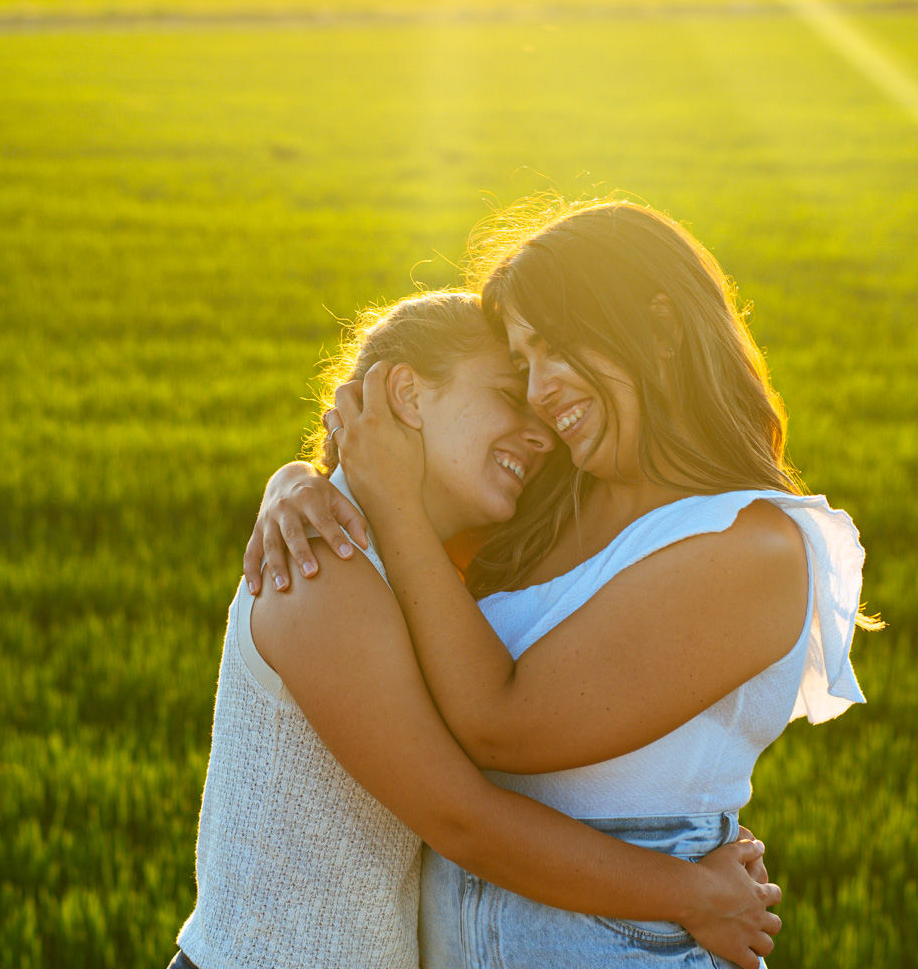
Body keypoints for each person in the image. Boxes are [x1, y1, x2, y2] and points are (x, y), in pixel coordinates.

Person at [246, 199, 874, 968]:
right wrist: (299, 483)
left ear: (661, 329)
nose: (540, 393)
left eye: (554, 349)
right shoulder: (550, 505)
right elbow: (390, 575)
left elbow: (499, 724)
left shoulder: (754, 548)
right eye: (521, 366)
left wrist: (390, 500)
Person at [170, 290, 782, 969]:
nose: (543, 434)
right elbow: (462, 818)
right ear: (406, 393)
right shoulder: (323, 568)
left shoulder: (417, 572)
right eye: (507, 396)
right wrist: (693, 893)